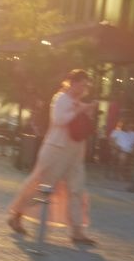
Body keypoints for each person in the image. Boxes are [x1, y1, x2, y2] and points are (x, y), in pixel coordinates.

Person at [8, 68, 99, 244]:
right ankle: (16, 215)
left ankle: (77, 232)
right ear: (72, 83)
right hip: (56, 150)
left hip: (74, 152)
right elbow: (59, 120)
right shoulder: (60, 99)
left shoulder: (80, 103)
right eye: (81, 84)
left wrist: (86, 111)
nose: (83, 88)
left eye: (86, 85)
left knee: (77, 190)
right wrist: (81, 110)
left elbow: (85, 128)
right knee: (41, 187)